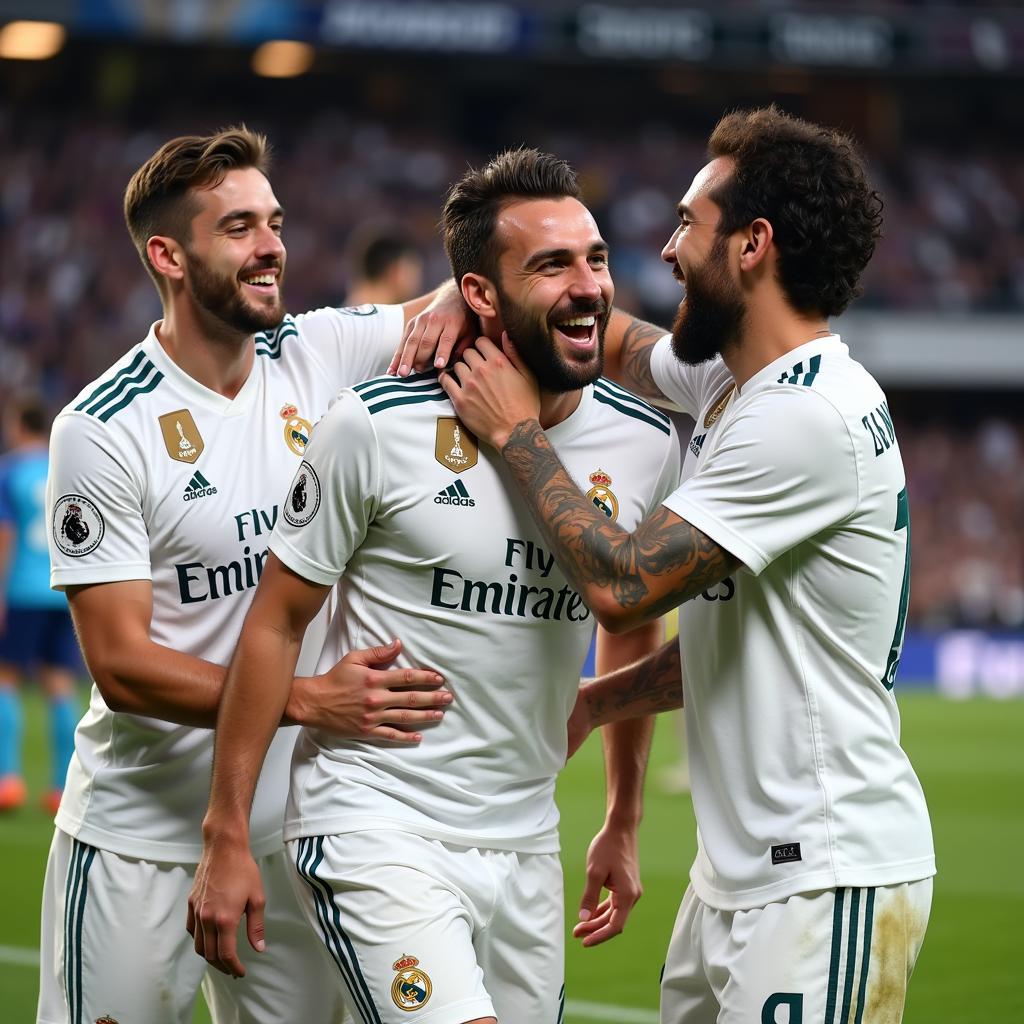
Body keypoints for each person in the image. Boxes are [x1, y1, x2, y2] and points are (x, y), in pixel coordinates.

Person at [440, 108, 936, 1023]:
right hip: (740, 876)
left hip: (822, 879)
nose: (667, 251)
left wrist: (513, 433)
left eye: (686, 224)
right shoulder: (741, 380)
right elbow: (621, 346)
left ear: (751, 246)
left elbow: (624, 583)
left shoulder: (802, 419)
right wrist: (477, 295)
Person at [187, 147, 681, 1024]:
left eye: (596, 259)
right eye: (551, 264)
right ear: (479, 295)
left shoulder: (647, 442)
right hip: (375, 822)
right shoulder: (373, 426)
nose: (588, 286)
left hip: (527, 837)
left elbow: (633, 616)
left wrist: (624, 816)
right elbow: (274, 624)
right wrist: (226, 833)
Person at [40, 125, 463, 1024]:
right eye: (237, 228)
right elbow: (119, 663)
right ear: (169, 255)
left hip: (291, 829)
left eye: (273, 221)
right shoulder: (103, 427)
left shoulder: (318, 353)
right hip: (138, 837)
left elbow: (461, 300)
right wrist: (307, 698)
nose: (272, 244)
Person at [0, 395, 80, 815]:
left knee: (6, 678)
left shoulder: (9, 470)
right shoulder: (60, 466)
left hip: (20, 591)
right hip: (61, 592)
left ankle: (7, 780)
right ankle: (62, 786)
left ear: (18, 424)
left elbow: (5, 534)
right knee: (60, 684)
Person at [344, 225, 425, 306]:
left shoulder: (348, 310)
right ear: (394, 271)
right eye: (412, 270)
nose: (417, 279)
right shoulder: (383, 316)